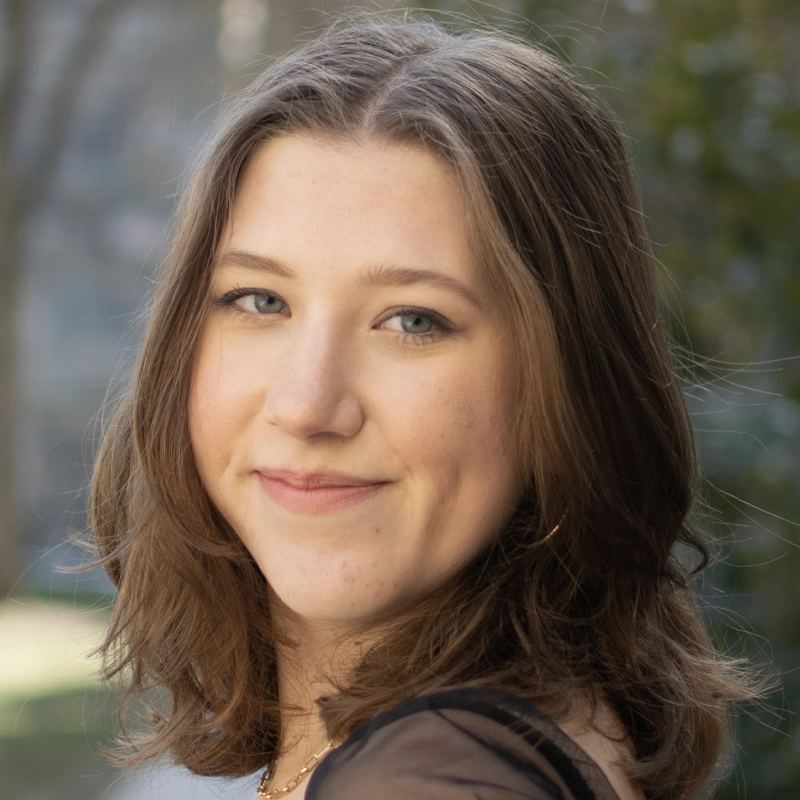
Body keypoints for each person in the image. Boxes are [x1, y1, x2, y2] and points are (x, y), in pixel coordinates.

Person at [90, 15, 758, 800]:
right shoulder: (512, 732)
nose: (307, 405)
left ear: (565, 381)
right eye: (260, 300)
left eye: (414, 320)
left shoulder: (428, 776)